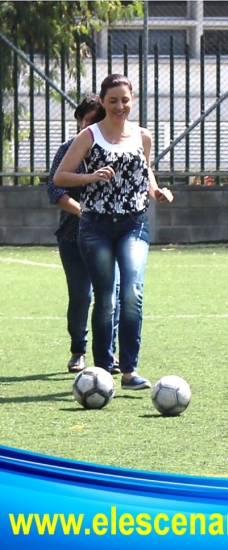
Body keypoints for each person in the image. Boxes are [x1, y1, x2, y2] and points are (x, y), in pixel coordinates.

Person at [54, 74, 174, 390]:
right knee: (106, 298)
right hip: (95, 226)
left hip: (134, 224)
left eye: (125, 100)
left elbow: (144, 171)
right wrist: (91, 177)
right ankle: (103, 370)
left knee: (132, 293)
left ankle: (130, 371)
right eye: (113, 100)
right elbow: (60, 177)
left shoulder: (143, 136)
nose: (120, 106)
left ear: (132, 100)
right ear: (104, 102)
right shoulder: (89, 136)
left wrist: (157, 190)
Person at [47, 95, 121, 374]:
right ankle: (78, 348)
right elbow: (56, 191)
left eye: (95, 119)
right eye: (86, 119)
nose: (89, 125)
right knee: (81, 295)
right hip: (72, 234)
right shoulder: (69, 149)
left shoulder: (115, 148)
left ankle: (108, 353)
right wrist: (83, 212)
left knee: (109, 295)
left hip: (108, 234)